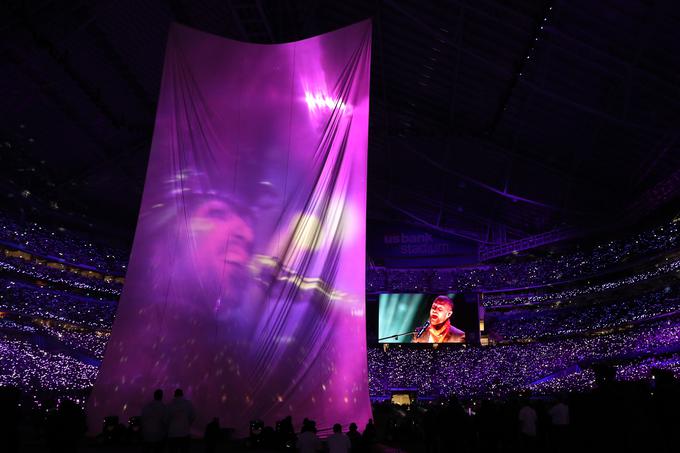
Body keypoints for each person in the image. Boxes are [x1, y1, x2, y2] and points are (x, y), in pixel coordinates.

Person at [166, 389, 196, 453]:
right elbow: (193, 416)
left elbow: (166, 419)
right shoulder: (188, 403)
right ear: (182, 394)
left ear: (174, 394)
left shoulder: (169, 404)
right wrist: (188, 424)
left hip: (172, 433)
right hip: (185, 433)